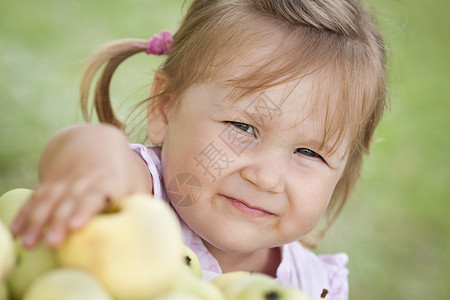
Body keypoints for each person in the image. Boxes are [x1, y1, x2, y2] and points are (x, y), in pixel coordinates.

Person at [11, 0, 388, 299]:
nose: (267, 178)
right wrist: (95, 171)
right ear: (165, 108)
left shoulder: (316, 286)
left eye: (309, 153)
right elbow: (89, 148)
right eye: (242, 127)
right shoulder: (139, 199)